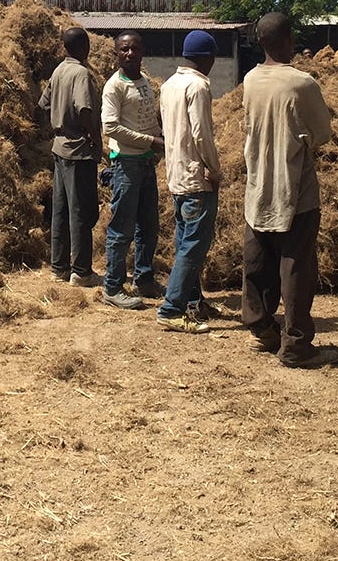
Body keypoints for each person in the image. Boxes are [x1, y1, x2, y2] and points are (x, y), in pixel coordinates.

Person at [241, 12, 338, 368]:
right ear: (289, 41)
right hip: (294, 187)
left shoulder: (250, 79)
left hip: (258, 185)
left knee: (258, 260)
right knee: (296, 265)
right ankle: (297, 345)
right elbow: (323, 133)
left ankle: (262, 329)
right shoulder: (302, 83)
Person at [156, 30, 222, 334]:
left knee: (184, 242)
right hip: (197, 178)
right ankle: (171, 309)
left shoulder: (169, 84)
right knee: (193, 247)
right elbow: (201, 135)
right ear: (208, 58)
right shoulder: (198, 86)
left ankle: (194, 302)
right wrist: (214, 170)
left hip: (177, 175)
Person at [99, 31, 164, 309]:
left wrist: (158, 141)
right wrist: (151, 141)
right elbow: (110, 127)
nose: (130, 53)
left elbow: (149, 118)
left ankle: (144, 279)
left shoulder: (144, 82)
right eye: (124, 49)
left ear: (142, 51)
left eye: (134, 48)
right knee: (122, 228)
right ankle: (113, 287)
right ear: (116, 53)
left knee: (148, 226)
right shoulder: (114, 86)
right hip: (126, 163)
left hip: (146, 162)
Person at [38, 27, 103, 287]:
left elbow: (44, 104)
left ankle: (59, 267)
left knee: (61, 210)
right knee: (81, 211)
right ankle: (81, 271)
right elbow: (84, 109)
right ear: (85, 47)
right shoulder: (81, 73)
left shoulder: (58, 71)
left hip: (59, 147)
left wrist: (59, 123)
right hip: (79, 150)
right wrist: (95, 138)